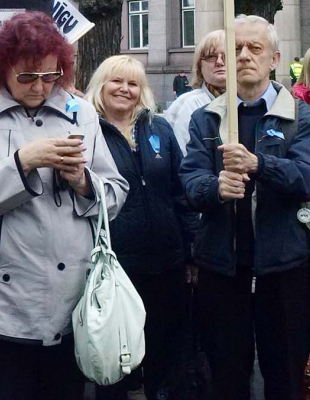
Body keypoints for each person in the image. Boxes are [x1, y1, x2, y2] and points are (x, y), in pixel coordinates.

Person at [0, 11, 127, 400]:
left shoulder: (80, 111)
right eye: (27, 77)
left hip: (72, 301)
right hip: (1, 303)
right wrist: (23, 161)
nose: (40, 88)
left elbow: (114, 193)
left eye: (50, 76)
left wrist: (82, 180)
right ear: (3, 68)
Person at [180, 15, 310, 400]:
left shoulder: (300, 116)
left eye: (254, 48)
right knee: (227, 375)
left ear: (274, 58)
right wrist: (216, 188)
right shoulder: (207, 117)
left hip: (284, 268)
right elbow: (191, 185)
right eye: (236, 48)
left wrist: (259, 164)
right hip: (223, 268)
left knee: (285, 375)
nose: (243, 56)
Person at [85, 55, 197, 400]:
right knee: (118, 361)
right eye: (116, 81)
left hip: (167, 262)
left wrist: (191, 250)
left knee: (166, 355)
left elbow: (180, 192)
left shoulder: (158, 128)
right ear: (101, 85)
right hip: (117, 267)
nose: (125, 89)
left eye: (133, 83)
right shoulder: (86, 130)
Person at [163, 29, 226, 155]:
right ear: (199, 66)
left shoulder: (250, 102)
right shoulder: (187, 105)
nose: (219, 62)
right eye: (211, 57)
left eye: (227, 55)